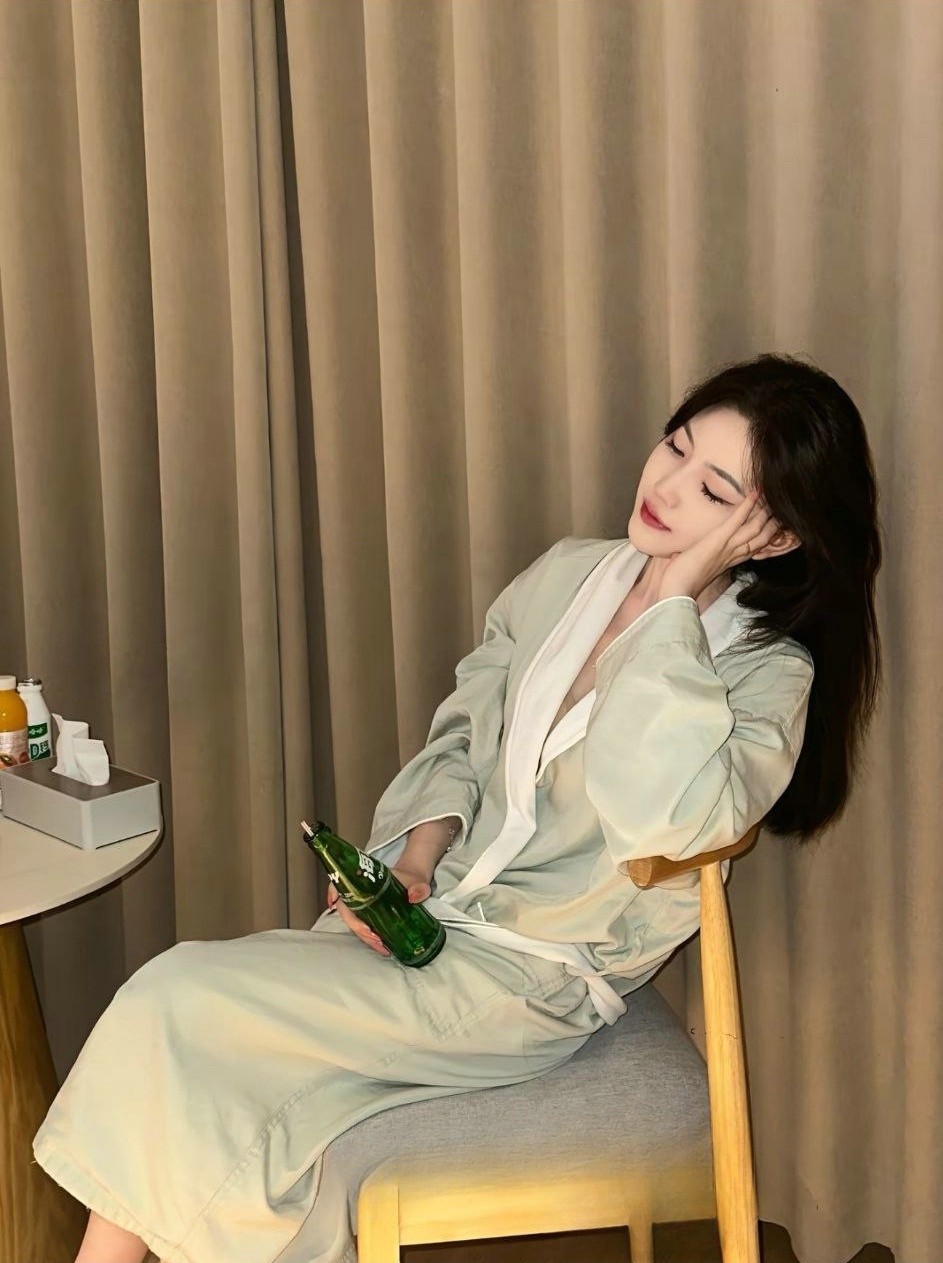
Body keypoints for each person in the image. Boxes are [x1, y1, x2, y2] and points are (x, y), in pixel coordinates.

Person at [33, 352, 882, 1263]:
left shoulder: (764, 675)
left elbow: (663, 819)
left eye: (713, 490)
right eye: (674, 446)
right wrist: (411, 859)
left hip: (532, 980)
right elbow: (463, 733)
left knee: (173, 1001)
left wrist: (671, 605)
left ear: (771, 536)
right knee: (218, 1077)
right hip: (433, 921)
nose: (667, 488)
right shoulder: (565, 576)